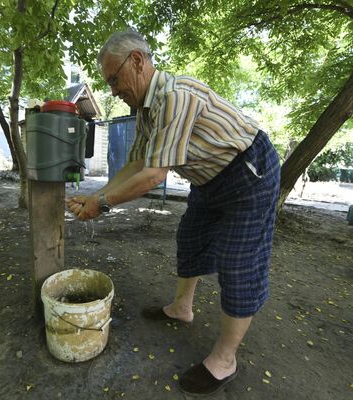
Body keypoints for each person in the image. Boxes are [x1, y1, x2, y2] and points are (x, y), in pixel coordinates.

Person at [66, 30, 280, 396]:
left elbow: (153, 176)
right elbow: (136, 162)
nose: (113, 90)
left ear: (136, 60)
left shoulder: (174, 95)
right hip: (209, 179)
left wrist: (102, 206)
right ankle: (182, 308)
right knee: (192, 237)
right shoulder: (146, 111)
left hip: (248, 171)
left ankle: (225, 359)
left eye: (114, 79)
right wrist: (95, 194)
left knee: (238, 261)